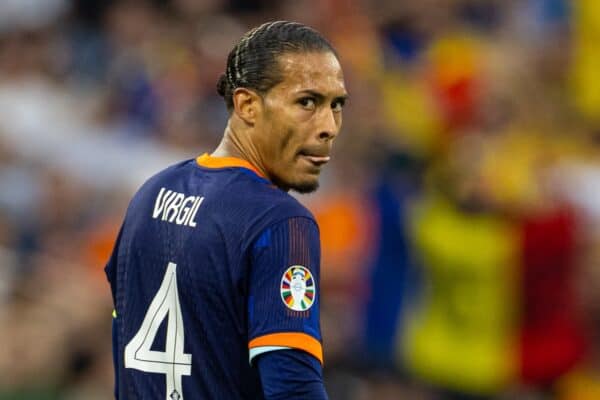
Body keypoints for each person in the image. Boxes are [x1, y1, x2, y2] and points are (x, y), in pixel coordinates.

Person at [105, 20, 347, 399]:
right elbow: (293, 386)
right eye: (307, 102)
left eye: (336, 105)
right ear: (247, 105)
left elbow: (123, 344)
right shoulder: (280, 222)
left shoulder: (151, 194)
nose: (329, 126)